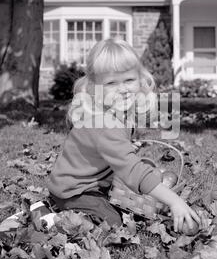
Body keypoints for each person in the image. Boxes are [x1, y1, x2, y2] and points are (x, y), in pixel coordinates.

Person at [47, 38, 200, 232]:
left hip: (97, 179)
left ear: (140, 78)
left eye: (129, 80)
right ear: (95, 87)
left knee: (143, 182)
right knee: (111, 222)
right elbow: (131, 170)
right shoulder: (104, 123)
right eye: (111, 83)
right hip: (74, 190)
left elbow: (106, 146)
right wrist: (174, 201)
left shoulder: (115, 113)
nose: (123, 89)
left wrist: (123, 147)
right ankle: (51, 219)